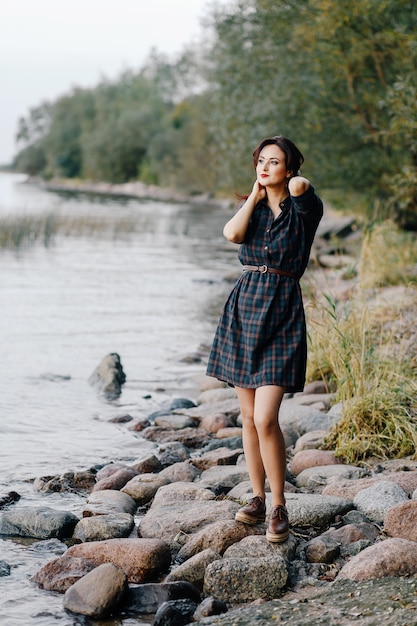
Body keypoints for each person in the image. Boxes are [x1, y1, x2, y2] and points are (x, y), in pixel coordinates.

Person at [206, 135, 323, 542]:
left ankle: (278, 506)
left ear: (289, 168)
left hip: (283, 311)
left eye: (273, 162)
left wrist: (291, 184)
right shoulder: (251, 209)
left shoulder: (304, 208)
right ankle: (256, 499)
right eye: (260, 161)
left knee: (265, 417)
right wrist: (255, 196)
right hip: (244, 309)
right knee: (248, 420)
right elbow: (232, 235)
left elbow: (303, 190)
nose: (264, 167)